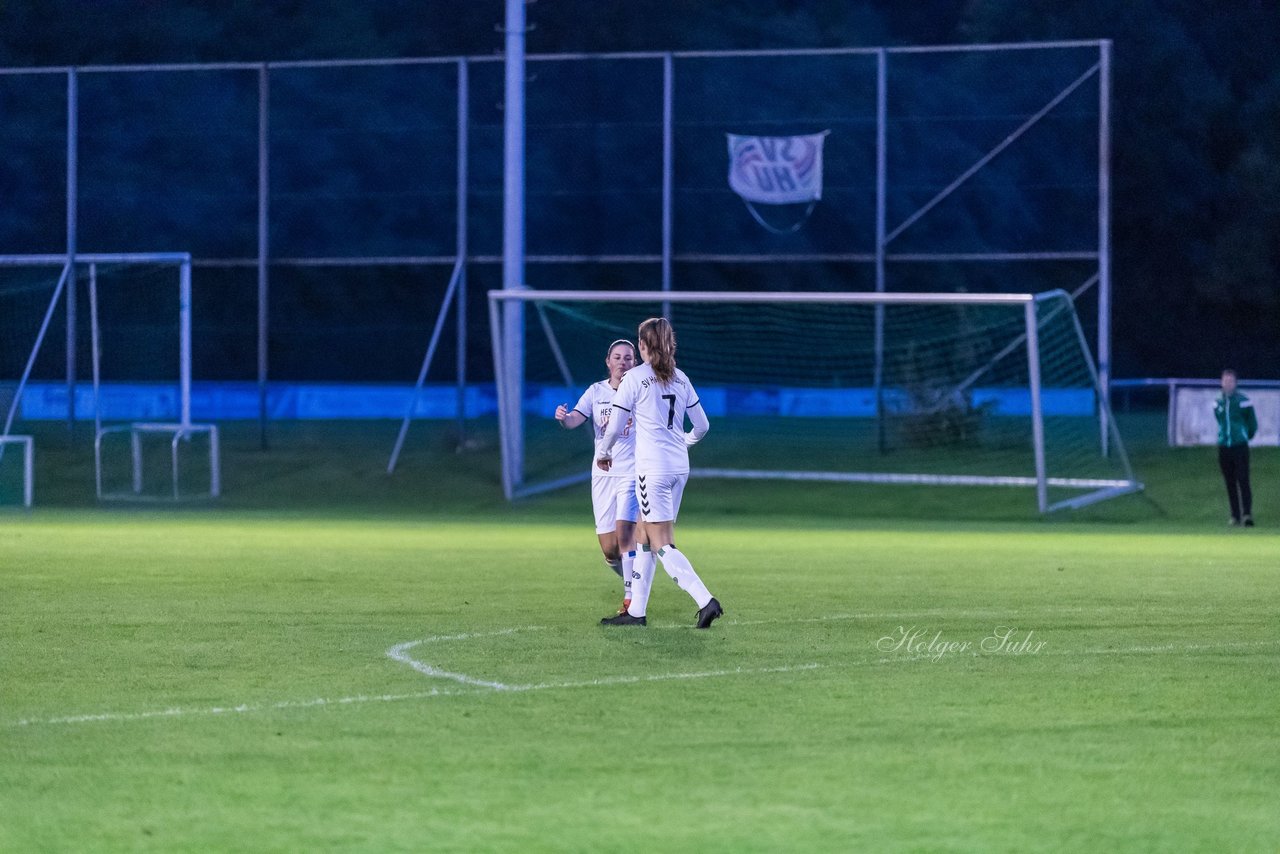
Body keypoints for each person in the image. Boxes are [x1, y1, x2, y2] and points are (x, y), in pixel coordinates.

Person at [595, 317, 722, 629]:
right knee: (643, 538)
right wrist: (684, 442)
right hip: (679, 468)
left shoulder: (635, 378)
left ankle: (706, 600)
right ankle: (636, 612)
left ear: (641, 346)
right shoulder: (680, 378)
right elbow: (703, 426)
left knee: (661, 542)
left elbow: (613, 426)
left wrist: (603, 453)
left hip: (652, 471)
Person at [555, 339, 640, 611]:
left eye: (628, 357)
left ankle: (632, 598)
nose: (622, 362)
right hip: (603, 474)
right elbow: (573, 421)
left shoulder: (640, 392)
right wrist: (563, 418)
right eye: (617, 357)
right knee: (609, 549)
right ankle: (634, 581)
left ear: (635, 362)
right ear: (608, 361)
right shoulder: (595, 392)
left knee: (625, 535)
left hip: (630, 471)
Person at [1214, 369, 1258, 526]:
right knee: (1229, 481)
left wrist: (1245, 435)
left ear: (1235, 383)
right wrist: (1223, 437)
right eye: (1225, 380)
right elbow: (1219, 419)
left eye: (1230, 381)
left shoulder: (1243, 401)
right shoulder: (1218, 401)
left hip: (1240, 446)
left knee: (1243, 479)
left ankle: (1247, 514)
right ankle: (1235, 515)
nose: (1227, 384)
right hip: (1224, 446)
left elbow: (1252, 423)